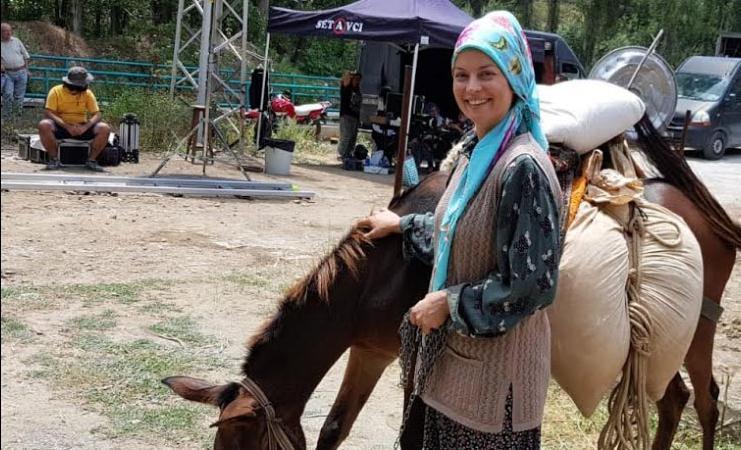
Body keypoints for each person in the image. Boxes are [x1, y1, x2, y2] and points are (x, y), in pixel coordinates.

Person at [358, 11, 562, 449]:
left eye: (487, 73)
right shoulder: (476, 150)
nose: (471, 88)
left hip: (494, 395)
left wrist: (449, 304)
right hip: (455, 375)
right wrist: (402, 225)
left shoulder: (522, 167)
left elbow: (532, 287)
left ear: (515, 78)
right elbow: (459, 233)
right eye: (461, 75)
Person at [38, 66, 111, 171]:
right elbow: (49, 112)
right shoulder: (55, 91)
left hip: (82, 127)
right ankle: (54, 159)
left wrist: (85, 127)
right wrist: (67, 126)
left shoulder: (88, 93)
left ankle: (91, 160)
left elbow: (97, 114)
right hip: (61, 126)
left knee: (104, 128)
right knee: (44, 125)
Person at [1, 22, 31, 119]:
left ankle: (17, 117)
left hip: (21, 72)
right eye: (6, 31)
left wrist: (27, 70)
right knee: (8, 94)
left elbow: (25, 55)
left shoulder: (16, 41)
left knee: (19, 96)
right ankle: (7, 117)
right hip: (7, 74)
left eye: (10, 30)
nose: (9, 33)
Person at [337, 71, 361, 159]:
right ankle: (341, 153)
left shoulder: (357, 90)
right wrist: (351, 74)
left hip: (355, 116)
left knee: (352, 137)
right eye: (356, 79)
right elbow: (345, 77)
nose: (357, 81)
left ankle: (348, 154)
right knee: (346, 135)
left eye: (359, 80)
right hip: (346, 115)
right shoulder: (346, 87)